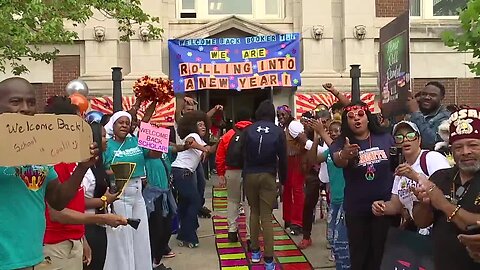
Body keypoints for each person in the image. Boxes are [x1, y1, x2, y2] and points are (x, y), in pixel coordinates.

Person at [0, 77, 98, 270]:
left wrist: (83, 167)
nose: (25, 107)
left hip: (33, 258)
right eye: (15, 101)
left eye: (31, 102)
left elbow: (57, 200)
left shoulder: (39, 151)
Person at [37, 97, 127, 270]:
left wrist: (81, 239)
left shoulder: (74, 159)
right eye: (77, 124)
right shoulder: (51, 161)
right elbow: (56, 213)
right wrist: (102, 214)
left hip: (74, 242)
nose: (82, 129)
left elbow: (75, 202)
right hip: (54, 245)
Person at [330, 101, 396, 270]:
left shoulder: (386, 138)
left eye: (360, 115)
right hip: (357, 210)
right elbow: (338, 160)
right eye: (351, 117)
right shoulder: (341, 142)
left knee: (382, 257)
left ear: (368, 118)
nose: (356, 119)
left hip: (384, 208)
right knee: (360, 257)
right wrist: (344, 154)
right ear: (346, 122)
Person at [412, 108, 480, 270]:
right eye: (458, 147)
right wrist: (425, 203)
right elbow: (421, 222)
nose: (465, 152)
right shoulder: (440, 176)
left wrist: (443, 204)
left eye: (473, 145)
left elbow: (474, 223)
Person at [102, 108, 160, 270]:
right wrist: (117, 170)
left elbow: (153, 155)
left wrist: (157, 143)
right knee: (122, 235)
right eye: (120, 122)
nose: (124, 126)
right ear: (113, 125)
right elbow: (101, 169)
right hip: (119, 192)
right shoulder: (107, 145)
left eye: (127, 123)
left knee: (140, 233)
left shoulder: (135, 140)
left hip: (137, 192)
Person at [372, 121, 450, 234]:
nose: (405, 140)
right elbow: (395, 205)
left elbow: (447, 189)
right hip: (419, 229)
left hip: (439, 228)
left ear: (419, 140)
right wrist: (381, 207)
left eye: (410, 135)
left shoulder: (431, 158)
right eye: (399, 137)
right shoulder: (401, 170)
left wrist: (416, 176)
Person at [243, 100, 287, 270]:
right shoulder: (278, 131)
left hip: (250, 174)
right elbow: (283, 159)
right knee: (266, 217)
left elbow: (242, 153)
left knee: (254, 212)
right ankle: (268, 260)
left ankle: (254, 252)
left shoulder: (248, 130)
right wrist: (283, 179)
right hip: (268, 174)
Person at [310, 119, 351, 269]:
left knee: (342, 236)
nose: (334, 133)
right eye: (331, 131)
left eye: (337, 130)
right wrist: (316, 139)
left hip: (346, 200)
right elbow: (312, 159)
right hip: (334, 199)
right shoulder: (329, 152)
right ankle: (336, 254)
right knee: (332, 232)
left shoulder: (346, 151)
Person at [171, 111, 214, 248]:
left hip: (182, 173)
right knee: (196, 202)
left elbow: (209, 149)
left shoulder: (200, 139)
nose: (203, 127)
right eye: (199, 124)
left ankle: (184, 235)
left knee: (185, 204)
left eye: (204, 125)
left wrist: (220, 142)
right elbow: (191, 143)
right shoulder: (193, 136)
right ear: (193, 127)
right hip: (182, 172)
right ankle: (186, 234)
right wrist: (204, 149)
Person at [216, 109, 252, 243]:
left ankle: (232, 231)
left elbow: (220, 156)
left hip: (231, 172)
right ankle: (250, 236)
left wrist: (221, 173)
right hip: (250, 172)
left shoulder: (228, 135)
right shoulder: (254, 132)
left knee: (232, 200)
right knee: (249, 203)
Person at [277, 104, 312, 235]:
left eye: (283, 114)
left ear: (289, 114)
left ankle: (297, 222)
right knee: (286, 190)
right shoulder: (284, 127)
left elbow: (304, 142)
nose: (281, 117)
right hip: (287, 160)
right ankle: (288, 219)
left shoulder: (294, 126)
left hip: (296, 160)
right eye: (279, 115)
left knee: (297, 191)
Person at [407, 81, 451, 150]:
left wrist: (416, 113)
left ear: (442, 97)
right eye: (424, 94)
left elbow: (431, 143)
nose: (427, 97)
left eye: (433, 95)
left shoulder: (446, 118)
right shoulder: (413, 113)